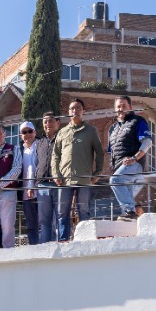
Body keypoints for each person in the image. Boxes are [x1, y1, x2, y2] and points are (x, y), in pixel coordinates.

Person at [51, 98, 104, 242]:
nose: (75, 111)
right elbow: (55, 155)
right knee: (62, 212)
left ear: (83, 111)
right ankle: (63, 240)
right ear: (68, 112)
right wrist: (56, 174)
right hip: (64, 180)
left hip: (84, 179)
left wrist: (97, 173)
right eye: (72, 109)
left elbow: (99, 152)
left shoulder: (91, 131)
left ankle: (85, 240)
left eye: (78, 108)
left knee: (84, 211)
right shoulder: (62, 132)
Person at [108, 95, 153, 221]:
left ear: (130, 107)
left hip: (134, 164)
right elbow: (111, 152)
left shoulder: (137, 121)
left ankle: (130, 211)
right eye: (118, 106)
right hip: (120, 167)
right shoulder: (113, 129)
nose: (121, 108)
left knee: (115, 180)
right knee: (124, 191)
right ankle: (131, 219)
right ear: (115, 109)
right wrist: (111, 167)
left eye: (124, 106)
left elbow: (147, 142)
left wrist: (135, 157)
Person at [36, 112, 61, 243]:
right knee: (44, 221)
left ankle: (60, 246)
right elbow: (37, 163)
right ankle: (44, 247)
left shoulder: (62, 139)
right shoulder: (39, 143)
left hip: (58, 184)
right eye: (45, 121)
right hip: (42, 185)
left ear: (58, 123)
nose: (47, 124)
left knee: (59, 219)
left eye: (51, 121)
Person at [19, 121, 40, 245]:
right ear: (21, 135)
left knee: (45, 223)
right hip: (25, 195)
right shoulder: (18, 151)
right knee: (31, 225)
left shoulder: (41, 146)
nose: (27, 134)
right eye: (24, 132)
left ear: (35, 132)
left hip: (41, 191)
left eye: (29, 131)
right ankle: (34, 249)